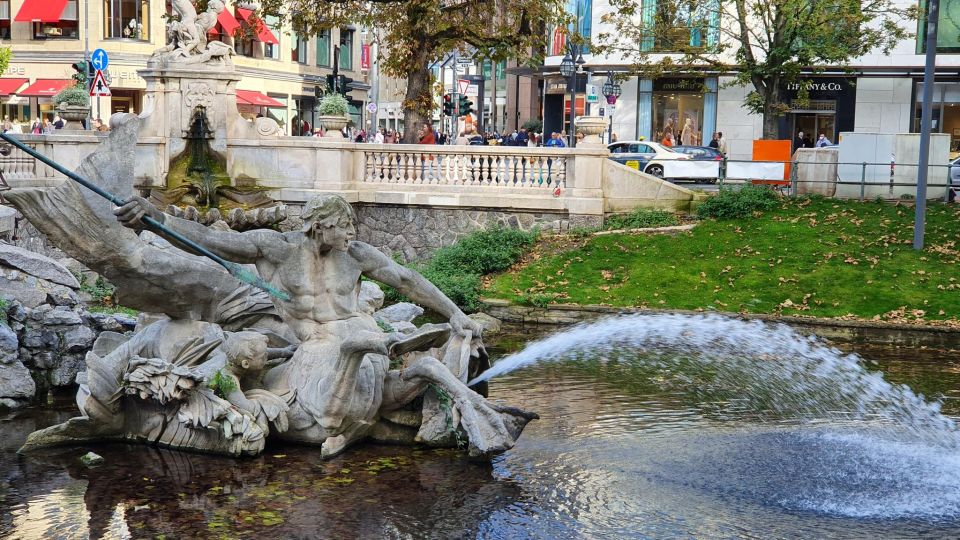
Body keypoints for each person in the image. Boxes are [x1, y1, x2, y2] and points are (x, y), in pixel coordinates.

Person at [113, 194, 501, 452]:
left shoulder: (357, 255)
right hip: (314, 348)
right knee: (326, 401)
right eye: (344, 225)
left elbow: (407, 280)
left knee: (377, 362)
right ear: (320, 225)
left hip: (366, 340)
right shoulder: (276, 250)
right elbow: (209, 242)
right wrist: (155, 218)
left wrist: (455, 313)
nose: (352, 232)